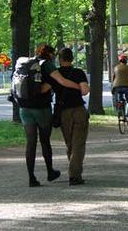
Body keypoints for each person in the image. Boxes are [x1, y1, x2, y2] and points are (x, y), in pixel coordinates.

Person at [13, 44, 87, 187]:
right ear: (51, 55)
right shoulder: (47, 65)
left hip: (24, 108)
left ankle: (32, 178)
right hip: (42, 109)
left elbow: (40, 87)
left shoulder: (27, 64)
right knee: (45, 141)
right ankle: (51, 171)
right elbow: (63, 81)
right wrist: (78, 87)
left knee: (31, 142)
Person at [52, 48, 90, 186]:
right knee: (78, 144)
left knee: (70, 144)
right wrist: (78, 87)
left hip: (63, 112)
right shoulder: (78, 72)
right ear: (72, 58)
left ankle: (74, 172)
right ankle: (74, 175)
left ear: (60, 59)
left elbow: (46, 89)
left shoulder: (55, 74)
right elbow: (85, 91)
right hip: (79, 110)